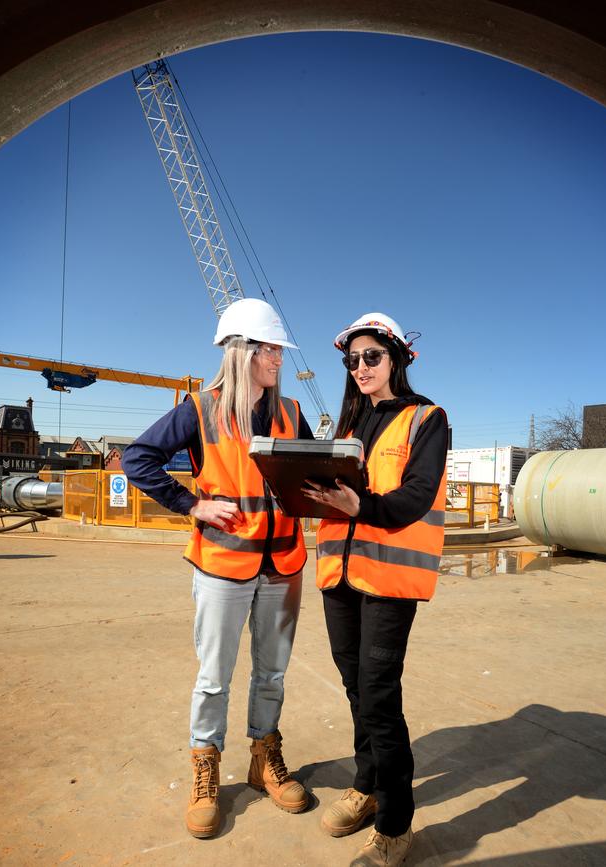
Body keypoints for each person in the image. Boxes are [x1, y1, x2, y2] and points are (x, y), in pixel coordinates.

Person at [122, 298, 314, 839]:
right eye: (272, 349)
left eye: (279, 349)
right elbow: (138, 459)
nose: (280, 359)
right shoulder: (199, 409)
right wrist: (193, 505)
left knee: (272, 672)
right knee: (214, 678)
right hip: (224, 564)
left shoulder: (291, 413)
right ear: (244, 352)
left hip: (282, 566)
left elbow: (304, 478)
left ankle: (263, 757)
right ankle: (206, 768)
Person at [304, 312, 448, 867]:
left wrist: (359, 506)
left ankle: (395, 823)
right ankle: (366, 785)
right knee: (357, 691)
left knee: (381, 700)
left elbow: (416, 495)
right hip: (338, 578)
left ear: (398, 358)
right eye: (352, 360)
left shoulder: (425, 418)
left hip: (388, 581)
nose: (360, 367)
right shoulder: (346, 427)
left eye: (371, 356)